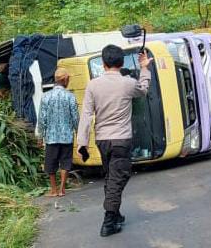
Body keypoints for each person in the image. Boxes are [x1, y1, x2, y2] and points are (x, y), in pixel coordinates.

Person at [77, 45, 153, 237]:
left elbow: (86, 115)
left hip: (102, 141)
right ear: (121, 63)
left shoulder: (93, 85)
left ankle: (116, 214)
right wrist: (144, 68)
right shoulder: (128, 83)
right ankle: (109, 221)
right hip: (121, 140)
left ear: (103, 64)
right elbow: (143, 90)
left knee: (112, 176)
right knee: (119, 177)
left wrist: (82, 143)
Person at [37, 68, 79, 198]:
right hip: (67, 136)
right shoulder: (70, 96)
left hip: (51, 137)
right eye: (68, 79)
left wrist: (40, 137)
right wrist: (79, 133)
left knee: (51, 163)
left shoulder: (46, 97)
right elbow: (75, 117)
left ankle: (53, 189)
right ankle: (62, 190)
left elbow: (42, 119)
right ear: (65, 80)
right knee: (65, 162)